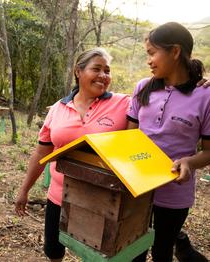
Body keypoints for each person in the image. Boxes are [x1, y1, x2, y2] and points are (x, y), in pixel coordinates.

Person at [15, 48, 131, 261]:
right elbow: (42, 152)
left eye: (107, 70)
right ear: (78, 72)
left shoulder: (123, 103)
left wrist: (197, 84)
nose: (103, 75)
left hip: (101, 199)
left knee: (96, 253)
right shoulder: (58, 109)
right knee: (53, 250)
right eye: (96, 69)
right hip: (59, 195)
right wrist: (24, 190)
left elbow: (158, 102)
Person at [127, 22, 210, 262]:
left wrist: (188, 162)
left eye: (153, 53)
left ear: (175, 51)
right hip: (137, 188)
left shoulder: (204, 96)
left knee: (162, 250)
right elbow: (129, 137)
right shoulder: (143, 88)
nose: (149, 60)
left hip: (175, 193)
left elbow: (208, 152)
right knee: (133, 248)